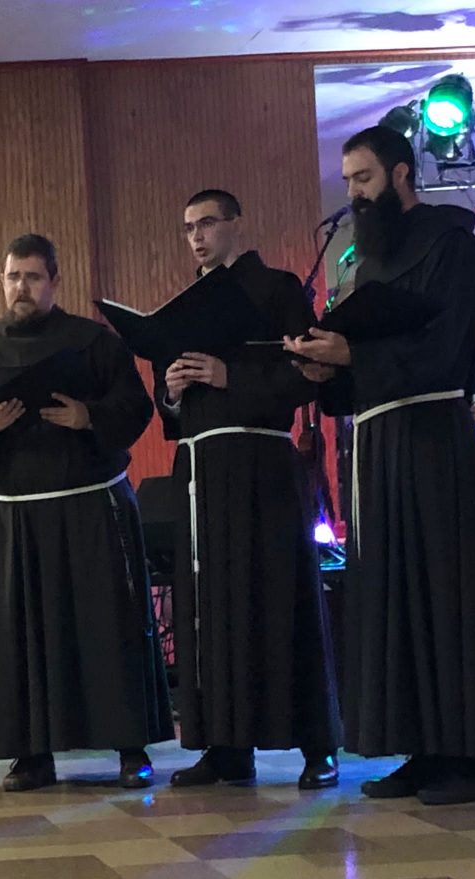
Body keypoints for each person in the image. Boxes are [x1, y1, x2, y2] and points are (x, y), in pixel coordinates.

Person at [286, 127, 475, 805]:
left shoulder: (452, 244)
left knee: (446, 591)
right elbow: (362, 362)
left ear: (400, 174)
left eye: (363, 178)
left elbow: (446, 351)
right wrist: (326, 369)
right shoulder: (367, 262)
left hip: (432, 439)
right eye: (348, 181)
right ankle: (424, 750)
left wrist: (354, 357)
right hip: (377, 443)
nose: (354, 194)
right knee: (396, 593)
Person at [0, 234, 173, 791]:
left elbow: (135, 406)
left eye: (33, 277)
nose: (22, 287)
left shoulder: (93, 341)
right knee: (20, 635)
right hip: (12, 513)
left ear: (54, 282)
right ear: (3, 281)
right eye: (13, 277)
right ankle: (31, 754)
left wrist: (89, 417)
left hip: (88, 505)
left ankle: (130, 747)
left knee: (106, 626)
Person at [157, 189, 341, 790]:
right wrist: (172, 390)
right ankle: (226, 746)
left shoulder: (279, 288)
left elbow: (306, 376)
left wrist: (228, 375)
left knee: (282, 597)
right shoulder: (185, 306)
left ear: (237, 224)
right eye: (189, 228)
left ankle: (318, 746)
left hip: (263, 465)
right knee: (212, 611)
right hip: (202, 470)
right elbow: (171, 408)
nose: (197, 236)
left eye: (207, 223)